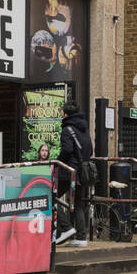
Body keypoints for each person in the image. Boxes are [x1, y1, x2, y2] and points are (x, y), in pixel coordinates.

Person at [56, 100, 94, 247]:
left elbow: (66, 150)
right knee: (78, 204)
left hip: (68, 172)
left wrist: (57, 163)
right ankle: (81, 238)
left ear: (65, 114)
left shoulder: (67, 130)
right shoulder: (84, 129)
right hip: (83, 173)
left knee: (50, 197)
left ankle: (66, 228)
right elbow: (90, 151)